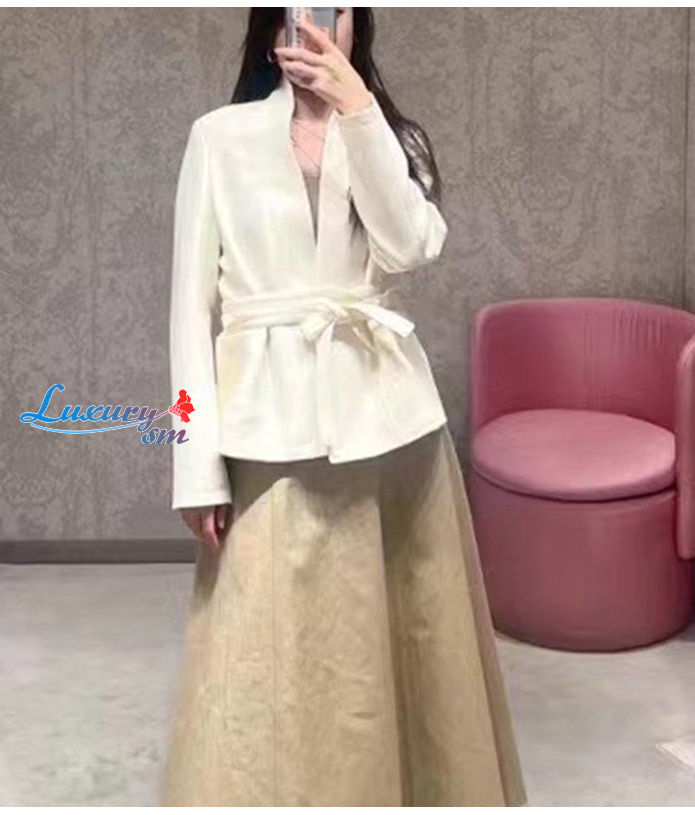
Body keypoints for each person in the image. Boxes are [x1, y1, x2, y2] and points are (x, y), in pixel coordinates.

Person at [161, 7, 528, 807]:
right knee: (263, 645)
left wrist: (359, 110)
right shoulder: (218, 137)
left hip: (392, 431)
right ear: (272, 26)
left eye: (336, 8)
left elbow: (410, 246)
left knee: (405, 641)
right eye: (298, 9)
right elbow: (190, 313)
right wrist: (195, 463)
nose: (317, 23)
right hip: (266, 430)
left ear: (357, 24)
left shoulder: (395, 138)